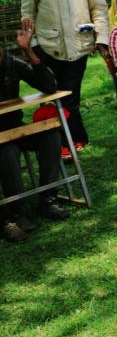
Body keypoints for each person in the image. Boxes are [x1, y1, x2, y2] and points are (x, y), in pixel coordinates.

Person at [20, 0, 109, 154]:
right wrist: (32, 45)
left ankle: (73, 141)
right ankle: (65, 142)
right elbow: (27, 13)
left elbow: (98, 8)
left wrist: (101, 38)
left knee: (69, 96)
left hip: (78, 45)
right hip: (47, 47)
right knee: (51, 95)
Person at [0, 25, 68, 243]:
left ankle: (47, 200)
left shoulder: (12, 64)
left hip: (17, 129)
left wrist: (29, 51)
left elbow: (49, 87)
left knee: (51, 136)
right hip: (1, 141)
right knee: (6, 151)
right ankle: (17, 212)